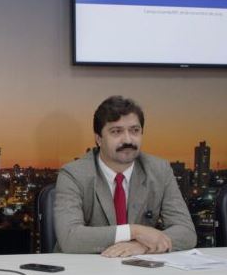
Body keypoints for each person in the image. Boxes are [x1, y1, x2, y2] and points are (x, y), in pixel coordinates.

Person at [54, 96, 196, 256]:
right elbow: (70, 238)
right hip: (84, 270)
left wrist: (142, 246)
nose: (128, 139)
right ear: (99, 139)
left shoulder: (159, 170)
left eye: (135, 131)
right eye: (116, 131)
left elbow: (186, 232)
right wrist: (134, 232)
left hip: (139, 272)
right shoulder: (73, 174)